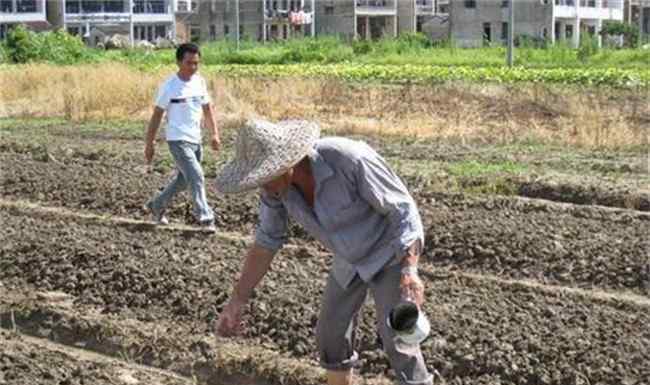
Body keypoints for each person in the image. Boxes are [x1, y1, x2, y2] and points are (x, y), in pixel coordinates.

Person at [214, 119, 434, 385]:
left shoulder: (348, 160)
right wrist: (237, 300)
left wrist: (410, 269)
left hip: (389, 252)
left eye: (265, 176)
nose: (263, 187)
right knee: (330, 334)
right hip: (348, 259)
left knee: (398, 338)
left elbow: (403, 212)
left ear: (288, 163)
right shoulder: (276, 191)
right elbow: (266, 242)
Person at [143, 43, 220, 232]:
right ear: (178, 62)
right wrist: (150, 142)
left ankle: (157, 204)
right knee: (196, 175)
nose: (193, 67)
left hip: (196, 138)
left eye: (196, 63)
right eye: (189, 63)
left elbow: (207, 109)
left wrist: (214, 134)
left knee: (184, 180)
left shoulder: (199, 82)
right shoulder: (169, 86)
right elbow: (157, 115)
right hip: (177, 139)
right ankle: (205, 216)